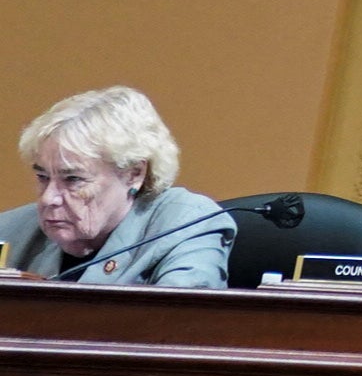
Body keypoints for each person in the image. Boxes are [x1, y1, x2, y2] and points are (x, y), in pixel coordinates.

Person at [0, 88, 233, 287]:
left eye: (73, 179)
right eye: (42, 177)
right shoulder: (10, 230)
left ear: (134, 174)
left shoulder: (187, 223)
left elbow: (182, 324)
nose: (49, 198)